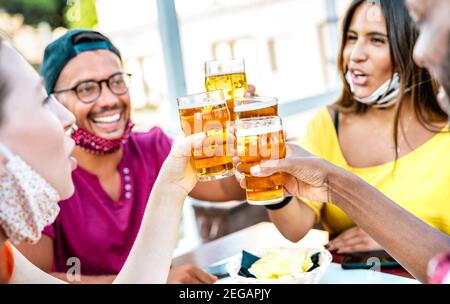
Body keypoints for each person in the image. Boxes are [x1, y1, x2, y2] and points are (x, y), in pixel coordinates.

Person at [242, 0, 450, 283]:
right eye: (351, 38)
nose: (355, 54)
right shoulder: (328, 124)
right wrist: (272, 177)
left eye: (376, 40)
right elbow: (296, 230)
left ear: (415, 45)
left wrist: (392, 234)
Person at [16, 30, 244, 284]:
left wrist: (248, 141)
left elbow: (228, 187)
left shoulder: (152, 149)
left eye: (117, 81)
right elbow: (29, 278)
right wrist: (154, 280)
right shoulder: (42, 176)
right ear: (55, 102)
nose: (110, 99)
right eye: (87, 88)